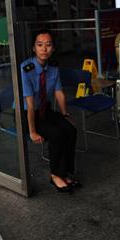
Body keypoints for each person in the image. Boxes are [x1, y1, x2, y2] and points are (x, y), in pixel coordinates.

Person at [20, 30, 80, 193]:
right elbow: (30, 105)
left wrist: (64, 113)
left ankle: (66, 172)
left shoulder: (53, 67)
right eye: (40, 45)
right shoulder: (26, 69)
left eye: (48, 45)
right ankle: (55, 175)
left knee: (70, 129)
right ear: (34, 48)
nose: (44, 49)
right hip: (26, 114)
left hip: (44, 110)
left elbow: (59, 92)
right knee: (57, 134)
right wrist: (32, 131)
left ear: (53, 48)